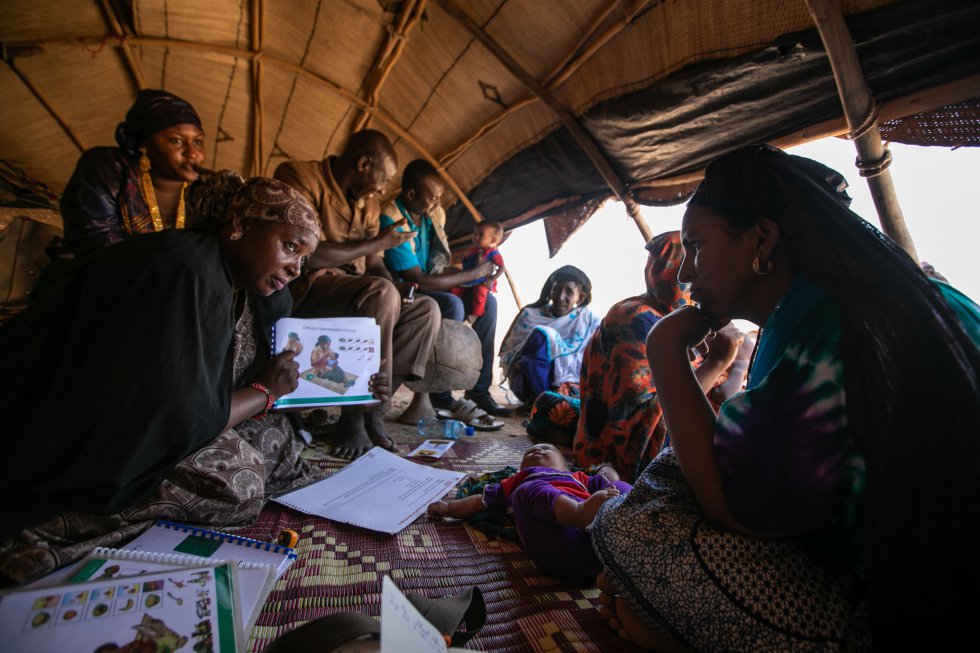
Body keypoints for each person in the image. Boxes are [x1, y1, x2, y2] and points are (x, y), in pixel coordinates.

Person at [591, 145, 980, 651]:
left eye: (697, 246)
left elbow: (735, 512)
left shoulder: (830, 333)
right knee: (669, 479)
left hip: (924, 612)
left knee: (631, 534)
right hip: (924, 569)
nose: (685, 273)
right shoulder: (866, 299)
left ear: (762, 238)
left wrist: (666, 349)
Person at [0, 177, 389, 584]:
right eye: (289, 246)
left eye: (304, 260)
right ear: (240, 224)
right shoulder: (185, 271)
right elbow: (178, 416)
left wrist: (359, 388)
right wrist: (264, 392)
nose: (295, 268)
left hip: (182, 412)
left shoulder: (252, 289)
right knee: (239, 485)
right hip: (90, 426)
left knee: (280, 448)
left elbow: (260, 383)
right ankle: (57, 523)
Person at [275, 131, 441, 459]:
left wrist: (394, 285)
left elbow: (375, 263)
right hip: (308, 291)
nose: (382, 188)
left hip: (362, 293)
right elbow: (306, 255)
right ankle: (353, 415)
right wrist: (379, 245)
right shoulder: (298, 177)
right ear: (364, 164)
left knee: (426, 309)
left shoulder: (369, 203)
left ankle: (372, 411)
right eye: (384, 179)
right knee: (380, 293)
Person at [570, 231, 748, 481]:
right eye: (688, 264)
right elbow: (658, 415)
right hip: (625, 458)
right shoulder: (638, 319)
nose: (690, 273)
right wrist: (720, 363)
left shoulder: (672, 317)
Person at [379, 159, 509, 417]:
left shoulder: (430, 217)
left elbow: (435, 269)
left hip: (427, 281)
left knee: (489, 304)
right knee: (453, 304)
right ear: (411, 194)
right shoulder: (392, 219)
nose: (437, 204)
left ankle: (479, 390)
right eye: (432, 198)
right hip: (406, 288)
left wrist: (472, 276)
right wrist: (472, 273)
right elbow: (420, 279)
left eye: (439, 198)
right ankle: (440, 391)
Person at [427, 443, 631, 583]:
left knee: (621, 487)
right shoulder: (519, 479)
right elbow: (480, 501)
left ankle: (637, 530)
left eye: (546, 449)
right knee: (524, 492)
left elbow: (608, 480)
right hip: (561, 545)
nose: (537, 450)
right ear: (520, 468)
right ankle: (578, 513)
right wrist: (448, 508)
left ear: (565, 465)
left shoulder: (578, 477)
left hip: (603, 548)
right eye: (530, 452)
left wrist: (608, 471)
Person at [59, 89, 206, 258]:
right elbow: (96, 246)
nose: (192, 152)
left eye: (198, 141)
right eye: (176, 140)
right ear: (144, 143)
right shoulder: (108, 168)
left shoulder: (203, 195)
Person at [498, 266, 600, 410]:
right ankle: (547, 405)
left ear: (580, 297)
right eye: (556, 289)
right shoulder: (529, 315)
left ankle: (554, 403)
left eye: (569, 292)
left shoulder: (589, 321)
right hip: (526, 384)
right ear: (550, 291)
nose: (560, 296)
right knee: (541, 334)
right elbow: (510, 355)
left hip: (569, 388)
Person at [451, 221, 506, 325]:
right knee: (455, 289)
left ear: (493, 239)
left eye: (480, 235)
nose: (475, 237)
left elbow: (502, 267)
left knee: (480, 293)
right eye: (475, 233)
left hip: (482, 281)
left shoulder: (493, 253)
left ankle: (475, 315)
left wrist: (492, 279)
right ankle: (455, 310)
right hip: (468, 279)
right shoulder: (474, 250)